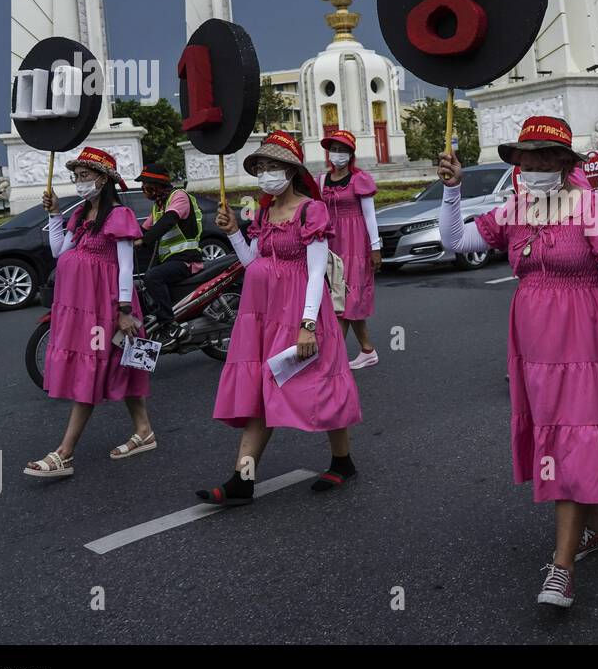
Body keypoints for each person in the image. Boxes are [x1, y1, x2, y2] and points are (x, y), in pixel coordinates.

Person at [438, 116, 598, 609]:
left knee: (572, 435)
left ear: (562, 164)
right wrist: (451, 192)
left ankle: (562, 567)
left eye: (539, 159)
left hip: (585, 338)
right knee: (561, 433)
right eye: (523, 160)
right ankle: (594, 530)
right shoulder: (514, 212)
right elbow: (454, 241)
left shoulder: (595, 207)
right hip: (533, 344)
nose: (529, 168)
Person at [197, 131, 363, 504]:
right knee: (261, 388)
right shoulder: (264, 212)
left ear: (291, 171)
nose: (267, 174)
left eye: (274, 167)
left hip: (301, 313)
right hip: (263, 313)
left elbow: (316, 268)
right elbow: (252, 264)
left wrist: (307, 326)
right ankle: (243, 479)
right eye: (262, 167)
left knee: (323, 386)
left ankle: (342, 460)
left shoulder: (311, 210)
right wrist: (232, 234)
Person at [25, 147, 155, 477]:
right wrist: (54, 214)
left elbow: (126, 267)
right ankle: (144, 430)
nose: (80, 182)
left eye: (85, 176)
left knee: (91, 372)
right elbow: (59, 251)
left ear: (103, 179)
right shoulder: (80, 215)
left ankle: (64, 453)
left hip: (108, 307)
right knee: (122, 366)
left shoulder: (119, 217)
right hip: (82, 309)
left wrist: (124, 311)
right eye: (77, 177)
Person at [319, 130, 382, 369]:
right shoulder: (322, 181)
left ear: (351, 154)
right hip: (332, 241)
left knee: (344, 297)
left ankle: (332, 359)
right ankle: (368, 350)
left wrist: (375, 248)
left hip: (356, 242)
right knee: (345, 297)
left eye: (342, 150)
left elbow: (370, 215)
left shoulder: (360, 179)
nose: (337, 154)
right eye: (333, 149)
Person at [134, 163, 204, 343]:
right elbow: (142, 229)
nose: (144, 189)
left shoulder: (178, 196)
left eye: (146, 184)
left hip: (187, 260)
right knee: (140, 286)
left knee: (152, 277)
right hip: (170, 262)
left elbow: (169, 220)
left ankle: (170, 324)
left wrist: (145, 241)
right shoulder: (158, 207)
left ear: (158, 185)